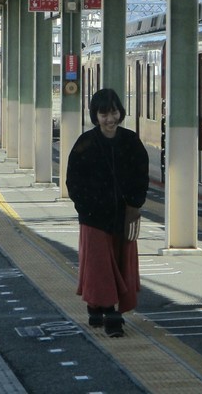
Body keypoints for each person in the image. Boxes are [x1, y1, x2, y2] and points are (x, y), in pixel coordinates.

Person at [66, 88, 149, 337]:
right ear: (95, 115)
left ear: (120, 112)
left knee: (121, 266)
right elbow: (73, 181)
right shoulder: (85, 143)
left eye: (113, 112)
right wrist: (85, 209)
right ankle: (112, 316)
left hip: (123, 216)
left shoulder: (131, 141)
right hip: (93, 217)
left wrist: (135, 204)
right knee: (100, 267)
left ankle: (96, 305)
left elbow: (141, 175)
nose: (110, 119)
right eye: (103, 113)